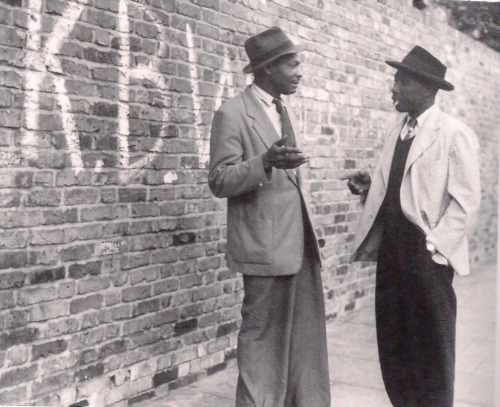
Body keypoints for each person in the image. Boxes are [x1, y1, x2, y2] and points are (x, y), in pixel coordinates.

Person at [344, 45, 481, 406]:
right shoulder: (398, 131)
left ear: (426, 88)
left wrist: (434, 249)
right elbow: (402, 187)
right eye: (395, 79)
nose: (393, 88)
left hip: (426, 256)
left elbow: (465, 202)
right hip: (392, 253)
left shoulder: (453, 134)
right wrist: (369, 190)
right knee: (395, 344)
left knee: (431, 350)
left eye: (400, 80)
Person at [208, 26, 330, 407]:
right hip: (263, 246)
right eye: (293, 64)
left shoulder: (281, 108)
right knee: (261, 337)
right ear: (268, 68)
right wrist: (265, 162)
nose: (299, 72)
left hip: (298, 241)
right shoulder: (232, 113)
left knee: (301, 336)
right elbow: (219, 179)